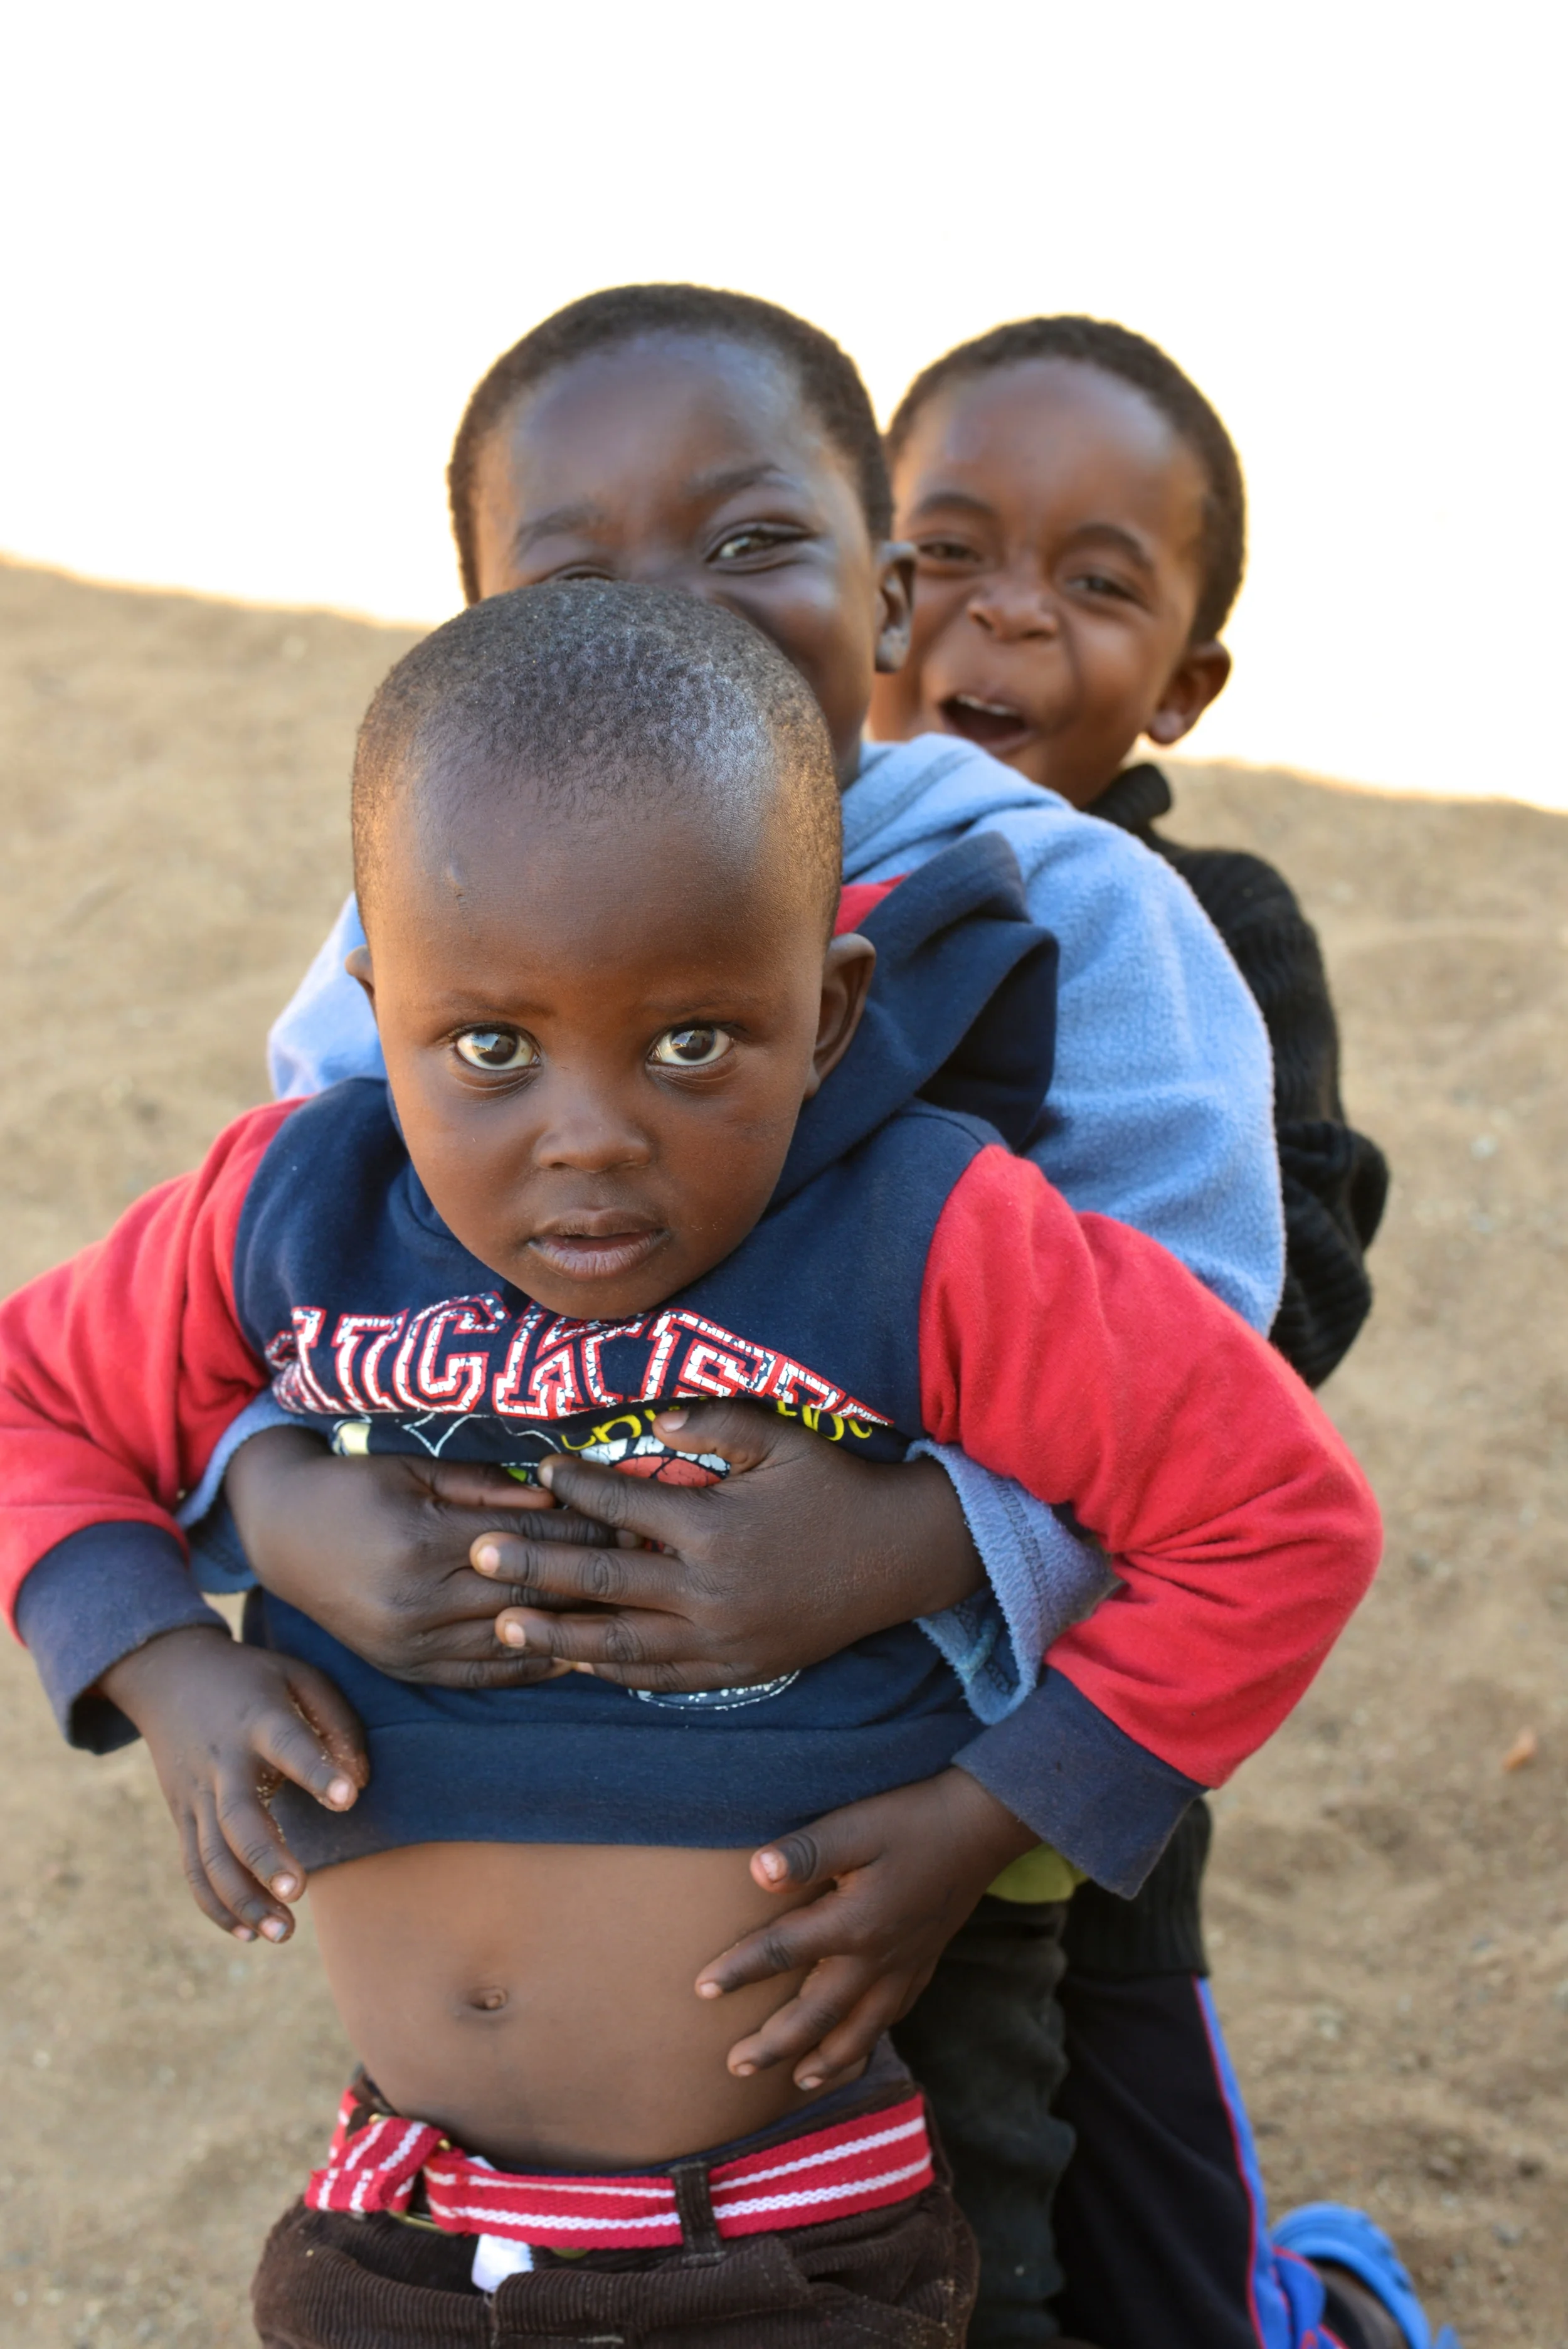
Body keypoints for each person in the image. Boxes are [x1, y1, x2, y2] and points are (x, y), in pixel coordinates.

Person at [18, 287, 1290, 2343]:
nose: (588, 1132)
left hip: (924, 1819)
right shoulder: (413, 927)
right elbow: (296, 1295)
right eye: (491, 1044)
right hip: (489, 1932)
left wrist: (909, 1549)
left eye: (748, 539)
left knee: (1084, 2223)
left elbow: (1212, 1395)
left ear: (886, 590)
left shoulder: (1055, 921)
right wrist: (255, 1512)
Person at [871, 317, 1424, 2349]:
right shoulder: (776, 890)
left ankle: (1324, 2304)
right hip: (784, 1739)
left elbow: (1297, 1269)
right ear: (858, 588)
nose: (1007, 613)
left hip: (1083, 1738)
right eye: (945, 553)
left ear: (1182, 681)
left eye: (1095, 583)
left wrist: (961, 1474)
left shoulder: (1208, 925)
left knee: (1156, 2261)